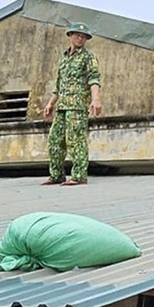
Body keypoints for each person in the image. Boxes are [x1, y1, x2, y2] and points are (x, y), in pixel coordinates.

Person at [42, 22, 102, 186]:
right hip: (62, 106)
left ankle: (79, 175)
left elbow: (94, 79)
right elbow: (58, 85)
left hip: (77, 106)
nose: (80, 38)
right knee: (55, 140)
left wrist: (96, 99)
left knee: (75, 140)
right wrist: (50, 104)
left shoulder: (88, 57)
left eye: (83, 36)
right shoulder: (64, 59)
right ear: (70, 36)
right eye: (77, 35)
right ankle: (56, 175)